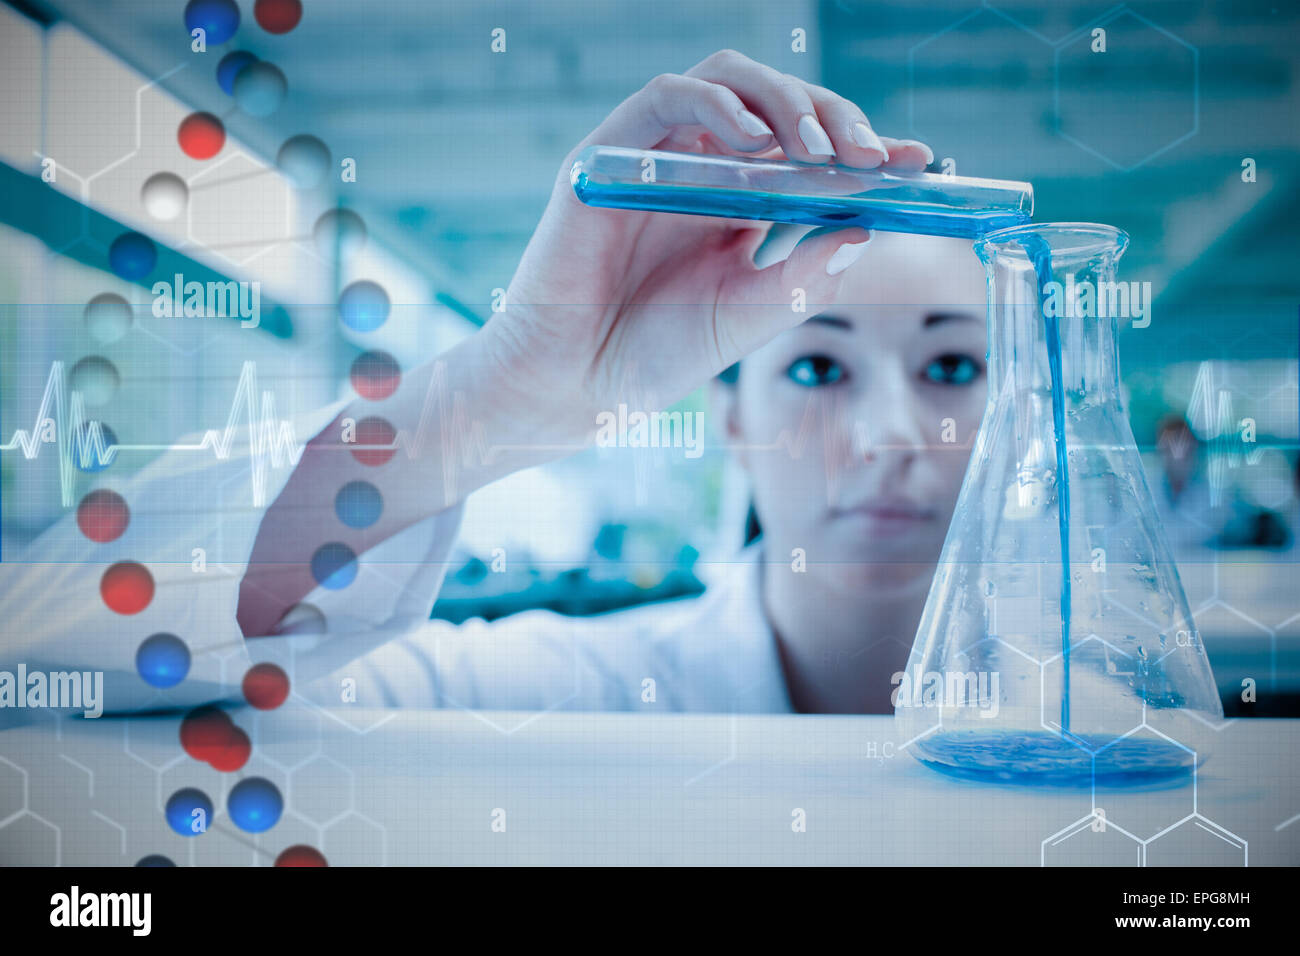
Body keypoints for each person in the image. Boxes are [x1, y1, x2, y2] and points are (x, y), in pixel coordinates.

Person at [0, 50, 986, 717]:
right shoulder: (558, 698)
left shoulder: (1128, 724)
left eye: (951, 365)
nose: (892, 433)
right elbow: (44, 666)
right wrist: (493, 399)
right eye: (816, 365)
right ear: (731, 417)